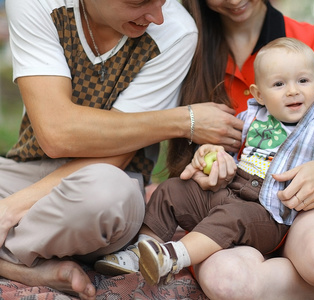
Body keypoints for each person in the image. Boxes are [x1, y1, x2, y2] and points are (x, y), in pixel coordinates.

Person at [0, 0, 243, 299]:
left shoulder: (175, 30)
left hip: (101, 188)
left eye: (163, 0)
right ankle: (18, 267)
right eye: (139, 2)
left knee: (108, 196)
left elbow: (115, 153)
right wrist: (182, 120)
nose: (156, 16)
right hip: (24, 172)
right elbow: (56, 133)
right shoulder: (37, 3)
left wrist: (9, 209)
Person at [135, 37, 314, 286]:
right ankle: (141, 251)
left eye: (303, 81)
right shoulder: (252, 115)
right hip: (229, 191)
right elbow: (225, 145)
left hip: (267, 214)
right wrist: (212, 152)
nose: (293, 90)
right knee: (172, 189)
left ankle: (172, 257)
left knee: (232, 216)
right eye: (278, 84)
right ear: (259, 94)